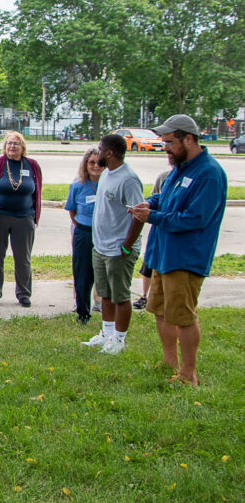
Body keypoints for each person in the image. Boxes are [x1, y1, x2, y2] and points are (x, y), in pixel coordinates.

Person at [130, 115, 227, 386]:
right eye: (164, 143)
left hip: (186, 257)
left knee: (183, 316)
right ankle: (169, 362)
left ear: (189, 139)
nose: (166, 148)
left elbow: (195, 218)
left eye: (170, 143)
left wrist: (153, 217)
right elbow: (165, 197)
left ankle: (188, 374)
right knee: (160, 310)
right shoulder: (179, 168)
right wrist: (148, 203)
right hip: (163, 253)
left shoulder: (209, 173)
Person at [81, 134, 145, 354]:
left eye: (100, 149)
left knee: (120, 295)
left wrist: (127, 246)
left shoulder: (128, 179)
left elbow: (138, 215)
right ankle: (106, 334)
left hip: (119, 249)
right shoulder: (107, 173)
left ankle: (119, 339)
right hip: (100, 246)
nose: (97, 153)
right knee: (105, 293)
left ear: (109, 152)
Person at [0, 131, 42, 307]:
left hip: (24, 218)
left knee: (23, 258)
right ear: (4, 146)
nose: (12, 146)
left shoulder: (32, 165)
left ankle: (23, 294)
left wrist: (34, 215)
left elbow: (37, 191)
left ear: (23, 147)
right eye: (9, 143)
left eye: (16, 143)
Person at [64, 148, 101, 324]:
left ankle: (101, 303)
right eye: (91, 162)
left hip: (104, 234)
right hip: (84, 232)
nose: (95, 166)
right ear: (85, 164)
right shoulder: (78, 185)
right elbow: (72, 211)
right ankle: (83, 312)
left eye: (98, 162)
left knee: (101, 271)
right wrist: (81, 226)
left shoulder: (108, 183)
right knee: (82, 273)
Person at [133, 160, 173, 310]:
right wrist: (148, 203)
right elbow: (157, 198)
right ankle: (145, 296)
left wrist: (152, 216)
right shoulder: (165, 177)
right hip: (158, 231)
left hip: (171, 237)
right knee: (149, 264)